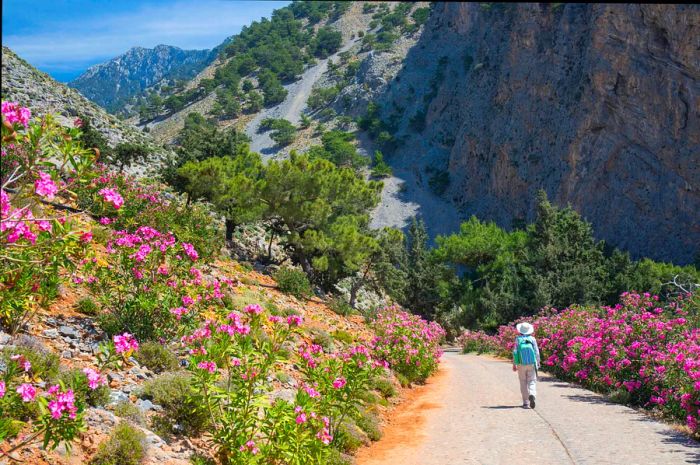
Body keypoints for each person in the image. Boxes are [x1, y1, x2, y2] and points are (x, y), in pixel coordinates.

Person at [512, 322, 540, 409]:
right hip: (531, 363)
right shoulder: (532, 339)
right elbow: (536, 352)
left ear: (520, 331)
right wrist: (538, 362)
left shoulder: (518, 339)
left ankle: (526, 403)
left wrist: (514, 364)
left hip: (521, 363)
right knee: (532, 381)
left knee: (523, 382)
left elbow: (515, 352)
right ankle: (532, 394)